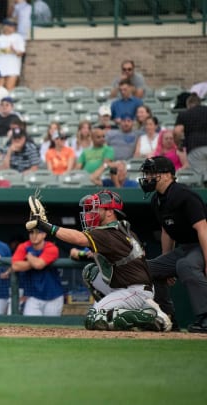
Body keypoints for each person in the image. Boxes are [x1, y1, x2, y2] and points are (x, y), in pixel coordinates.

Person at [26, 189, 172, 331]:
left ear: (110, 212)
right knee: (90, 272)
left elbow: (78, 238)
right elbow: (93, 254)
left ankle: (150, 317)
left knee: (93, 318)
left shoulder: (108, 233)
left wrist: (44, 226)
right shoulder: (122, 230)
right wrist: (82, 255)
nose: (90, 213)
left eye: (96, 209)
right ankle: (116, 309)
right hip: (126, 285)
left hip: (134, 290)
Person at [140, 156, 207, 333]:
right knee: (148, 268)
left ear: (167, 175)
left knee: (186, 265)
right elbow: (166, 231)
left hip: (202, 243)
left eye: (151, 173)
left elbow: (202, 228)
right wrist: (165, 263)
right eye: (146, 173)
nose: (147, 177)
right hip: (185, 247)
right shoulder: (157, 199)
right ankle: (167, 316)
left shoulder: (184, 195)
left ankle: (205, 318)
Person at [11, 227, 62, 316]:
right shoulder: (24, 246)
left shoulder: (51, 247)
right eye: (31, 233)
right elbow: (15, 266)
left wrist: (29, 257)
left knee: (52, 327)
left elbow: (39, 265)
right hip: (33, 296)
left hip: (53, 295)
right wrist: (35, 262)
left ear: (44, 234)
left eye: (38, 233)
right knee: (30, 326)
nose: (34, 236)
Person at [174, 93, 207, 174]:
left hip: (195, 147)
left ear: (188, 105)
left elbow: (177, 131)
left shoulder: (184, 114)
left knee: (200, 176)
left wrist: (178, 144)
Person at [0, 19, 25, 91]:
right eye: (10, 26)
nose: (12, 28)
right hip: (0, 67)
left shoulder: (18, 37)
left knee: (9, 89)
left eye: (13, 26)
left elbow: (21, 53)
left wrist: (14, 50)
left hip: (13, 67)